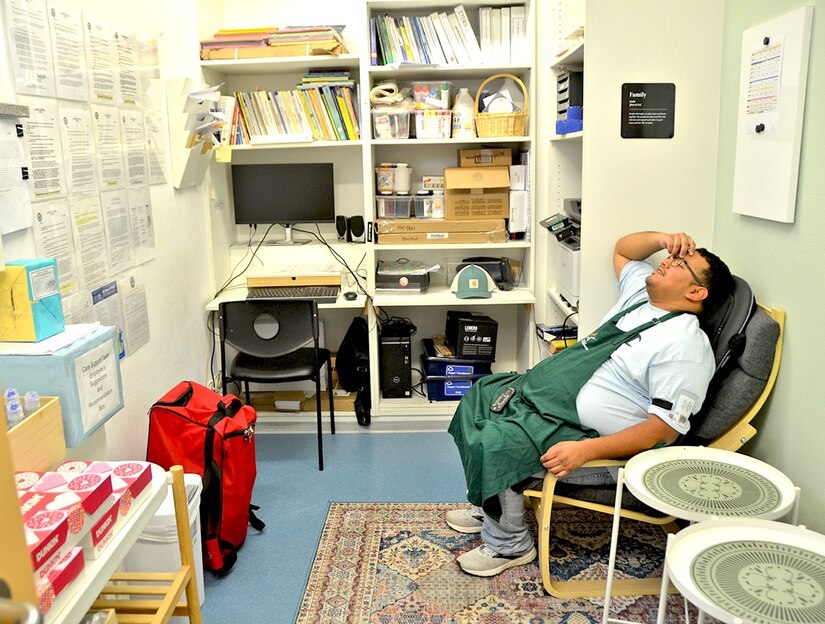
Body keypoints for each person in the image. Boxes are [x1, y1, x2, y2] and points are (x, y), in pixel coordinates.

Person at [446, 230, 734, 577]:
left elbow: (664, 431)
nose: (668, 261)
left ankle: (509, 545)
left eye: (680, 263)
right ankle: (490, 500)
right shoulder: (642, 297)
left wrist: (587, 452)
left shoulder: (685, 347)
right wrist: (663, 239)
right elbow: (624, 250)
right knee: (481, 396)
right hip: (549, 407)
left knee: (498, 444)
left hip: (591, 441)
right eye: (672, 256)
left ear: (696, 291)